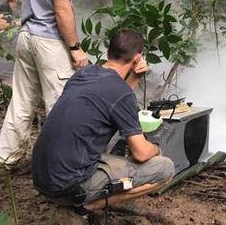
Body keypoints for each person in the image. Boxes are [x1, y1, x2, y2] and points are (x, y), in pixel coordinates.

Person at [31, 28, 174, 220]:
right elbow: (140, 153)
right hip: (67, 186)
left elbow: (112, 99)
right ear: (138, 57)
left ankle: (79, 199)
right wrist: (155, 149)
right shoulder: (120, 92)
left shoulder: (83, 74)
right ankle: (85, 206)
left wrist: (135, 78)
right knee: (165, 168)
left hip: (41, 178)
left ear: (109, 52)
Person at [0, 0, 90, 167]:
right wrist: (75, 48)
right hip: (48, 42)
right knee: (62, 106)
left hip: (26, 37)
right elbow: (62, 8)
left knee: (22, 102)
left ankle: (6, 160)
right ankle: (60, 168)